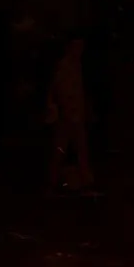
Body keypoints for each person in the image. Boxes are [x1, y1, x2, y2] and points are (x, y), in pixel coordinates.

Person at [45, 36, 94, 194]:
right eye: (77, 46)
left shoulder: (76, 65)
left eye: (81, 47)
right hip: (67, 117)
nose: (80, 50)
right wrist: (68, 111)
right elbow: (61, 91)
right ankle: (52, 181)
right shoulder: (65, 66)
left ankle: (84, 179)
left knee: (80, 148)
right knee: (60, 149)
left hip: (75, 116)